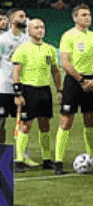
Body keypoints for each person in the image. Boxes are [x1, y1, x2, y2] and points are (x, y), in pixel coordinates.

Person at [55, 3, 93, 174]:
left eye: (88, 14)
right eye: (83, 15)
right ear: (75, 17)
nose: (87, 17)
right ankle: (58, 161)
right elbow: (65, 62)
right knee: (66, 120)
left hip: (92, 81)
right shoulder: (68, 36)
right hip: (74, 82)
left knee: (91, 121)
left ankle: (92, 157)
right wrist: (81, 80)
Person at [11, 18, 58, 172]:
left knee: (45, 124)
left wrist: (60, 90)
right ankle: (19, 160)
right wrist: (18, 93)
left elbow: (55, 71)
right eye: (36, 27)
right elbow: (16, 72)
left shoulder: (50, 49)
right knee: (25, 125)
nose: (40, 30)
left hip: (44, 90)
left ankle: (46, 159)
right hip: (28, 90)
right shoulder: (22, 49)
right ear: (29, 31)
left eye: (42, 27)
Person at [0, 9, 26, 162]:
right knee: (1, 122)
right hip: (3, 85)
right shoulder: (2, 39)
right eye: (21, 16)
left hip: (22, 86)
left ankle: (22, 156)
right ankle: (2, 155)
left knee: (24, 123)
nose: (24, 19)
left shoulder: (26, 39)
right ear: (11, 19)